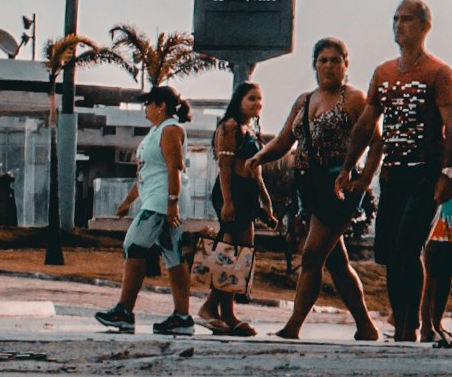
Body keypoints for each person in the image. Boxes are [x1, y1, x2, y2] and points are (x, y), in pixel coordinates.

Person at [364, 0, 452, 345]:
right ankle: (402, 320)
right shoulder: (384, 73)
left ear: (423, 26)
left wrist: (446, 175)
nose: (398, 26)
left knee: (410, 249)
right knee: (389, 254)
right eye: (395, 19)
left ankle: (414, 327)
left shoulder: (439, 73)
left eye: (406, 19)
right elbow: (367, 123)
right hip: (392, 176)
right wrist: (352, 169)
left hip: (426, 177)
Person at [269, 40, 379, 341]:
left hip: (339, 188)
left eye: (335, 60)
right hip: (308, 187)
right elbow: (282, 141)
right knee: (337, 262)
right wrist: (256, 160)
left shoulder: (355, 99)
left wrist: (364, 179)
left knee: (312, 254)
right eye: (322, 60)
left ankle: (293, 326)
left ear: (346, 64)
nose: (328, 65)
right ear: (314, 65)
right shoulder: (304, 100)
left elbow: (376, 142)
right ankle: (366, 326)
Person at [92, 86, 198, 335]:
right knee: (173, 255)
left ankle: (124, 311)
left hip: (162, 201)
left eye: (148, 103)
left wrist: (172, 204)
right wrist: (128, 202)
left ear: (161, 105)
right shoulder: (156, 131)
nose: (145, 108)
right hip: (155, 197)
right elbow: (146, 174)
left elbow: (175, 169)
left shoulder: (171, 129)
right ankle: (182, 318)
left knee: (134, 245)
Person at [199, 84, 272, 338]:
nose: (256, 103)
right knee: (230, 252)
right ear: (239, 100)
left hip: (247, 197)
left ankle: (227, 312)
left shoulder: (249, 129)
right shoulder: (229, 127)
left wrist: (266, 201)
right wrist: (228, 202)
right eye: (251, 98)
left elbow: (256, 171)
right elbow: (224, 167)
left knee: (243, 255)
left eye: (259, 99)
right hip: (231, 193)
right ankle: (210, 307)